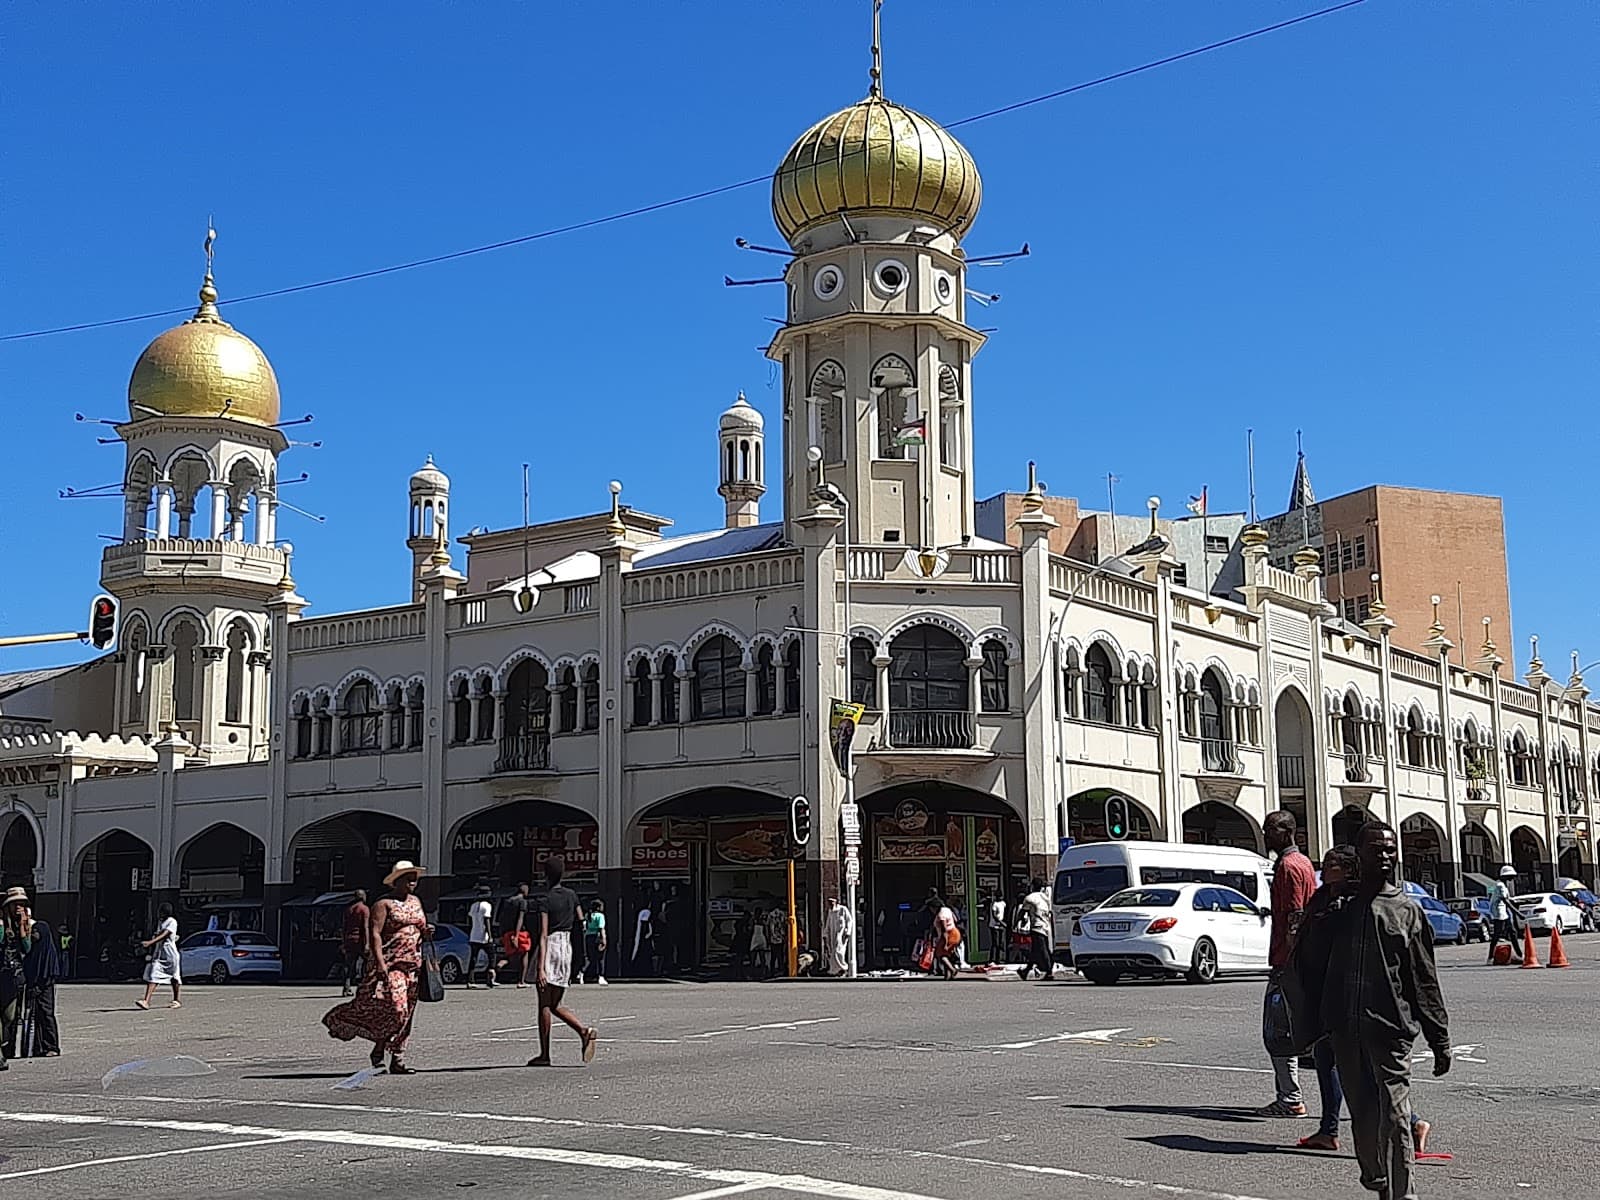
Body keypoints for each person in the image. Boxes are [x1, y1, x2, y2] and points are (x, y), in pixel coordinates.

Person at [1321, 822, 1451, 1200]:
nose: (1384, 856)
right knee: (1363, 1117)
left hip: (1390, 1031)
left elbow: (1424, 981)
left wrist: (1439, 1038)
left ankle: (1402, 1194)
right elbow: (1313, 967)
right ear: (1358, 855)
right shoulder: (1342, 909)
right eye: (1375, 849)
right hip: (1346, 1031)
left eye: (1390, 849)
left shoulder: (1407, 912)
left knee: (1395, 1117)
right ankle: (1378, 1181)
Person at [1296, 847, 1439, 1164]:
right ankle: (1330, 1129)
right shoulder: (1328, 896)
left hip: (1349, 998)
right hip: (1327, 995)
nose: (1325, 869)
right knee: (1329, 1061)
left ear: (1349, 870)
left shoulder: (1352, 902)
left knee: (1363, 1072)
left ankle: (1408, 1124)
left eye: (1333, 865)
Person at [323, 860, 431, 1075]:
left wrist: (426, 932)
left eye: (414, 878)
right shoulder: (384, 904)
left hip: (413, 964)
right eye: (408, 878)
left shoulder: (416, 902)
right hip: (391, 965)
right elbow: (375, 934)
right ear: (396, 881)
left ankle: (396, 1056)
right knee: (398, 1010)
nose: (413, 882)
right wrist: (380, 963)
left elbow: (419, 928)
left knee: (407, 1013)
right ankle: (366, 1036)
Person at [1259, 810, 1317, 1117]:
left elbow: (1295, 915)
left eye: (1269, 831)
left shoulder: (1288, 866)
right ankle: (1290, 1095)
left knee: (1278, 1031)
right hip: (1296, 960)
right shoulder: (1303, 862)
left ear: (1285, 832)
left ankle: (1290, 1097)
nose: (1265, 836)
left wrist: (1288, 963)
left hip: (1288, 962)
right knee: (1290, 1030)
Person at [526, 855, 598, 1067]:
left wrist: (540, 968)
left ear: (545, 875)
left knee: (544, 1005)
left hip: (551, 945)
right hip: (566, 947)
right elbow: (581, 921)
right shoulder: (572, 895)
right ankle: (583, 1032)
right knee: (555, 1003)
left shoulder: (545, 900)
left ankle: (545, 1053)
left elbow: (543, 933)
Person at [5, 891, 61, 1058]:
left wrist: (24, 926)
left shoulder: (41, 927)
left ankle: (51, 1045)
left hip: (43, 976)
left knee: (45, 1011)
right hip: (26, 977)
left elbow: (31, 946)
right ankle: (33, 1047)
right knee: (28, 1013)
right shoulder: (9, 928)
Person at [137, 903, 182, 1011]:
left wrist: (150, 942)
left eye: (161, 911)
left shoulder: (172, 921)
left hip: (170, 955)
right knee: (153, 975)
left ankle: (176, 1000)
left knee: (174, 977)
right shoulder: (160, 922)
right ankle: (146, 1001)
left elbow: (165, 934)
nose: (159, 914)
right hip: (159, 954)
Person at [1015, 878, 1055, 981]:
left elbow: (1022, 913)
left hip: (1037, 927)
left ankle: (1049, 971)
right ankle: (1026, 971)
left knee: (1042, 950)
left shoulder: (1030, 898)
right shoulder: (1045, 898)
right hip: (1046, 926)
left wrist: (1016, 924)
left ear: (1032, 886)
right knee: (1035, 951)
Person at [1484, 865, 1523, 964]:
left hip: (1503, 911)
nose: (1512, 878)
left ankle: (1520, 955)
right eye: (1510, 876)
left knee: (1513, 932)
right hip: (1499, 912)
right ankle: (1490, 957)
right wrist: (1518, 913)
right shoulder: (1500, 885)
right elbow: (1506, 901)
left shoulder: (1502, 885)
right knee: (1497, 934)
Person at [499, 882, 533, 987]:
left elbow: (502, 918)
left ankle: (497, 967)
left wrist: (503, 933)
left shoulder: (508, 901)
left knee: (509, 955)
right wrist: (517, 935)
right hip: (520, 932)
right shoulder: (522, 902)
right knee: (524, 954)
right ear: (524, 891)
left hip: (507, 932)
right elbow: (520, 918)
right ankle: (521, 981)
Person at [340, 890, 370, 997]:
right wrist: (367, 943)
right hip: (359, 940)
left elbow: (344, 928)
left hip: (349, 940)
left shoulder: (349, 910)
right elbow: (365, 927)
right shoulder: (364, 909)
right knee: (368, 964)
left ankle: (346, 988)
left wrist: (343, 942)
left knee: (349, 965)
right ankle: (365, 987)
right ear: (362, 897)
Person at [465, 885, 495, 988]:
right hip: (484, 936)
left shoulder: (473, 906)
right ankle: (490, 977)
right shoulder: (487, 905)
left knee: (473, 958)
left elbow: (470, 921)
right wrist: (490, 935)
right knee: (491, 957)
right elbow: (487, 921)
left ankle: (470, 980)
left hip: (474, 935)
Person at [926, 894, 961, 980]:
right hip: (955, 932)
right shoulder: (947, 910)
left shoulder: (941, 916)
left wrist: (945, 943)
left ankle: (953, 970)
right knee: (947, 955)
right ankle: (948, 975)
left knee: (940, 955)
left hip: (949, 934)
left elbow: (944, 930)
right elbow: (955, 919)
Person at [583, 899, 608, 985]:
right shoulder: (600, 916)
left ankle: (582, 972)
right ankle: (601, 976)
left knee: (590, 958)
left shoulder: (587, 915)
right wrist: (603, 939)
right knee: (600, 958)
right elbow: (601, 928)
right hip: (597, 937)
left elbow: (585, 927)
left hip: (588, 937)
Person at [985, 891, 1009, 962]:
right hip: (994, 925)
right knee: (995, 943)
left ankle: (999, 958)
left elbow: (1005, 913)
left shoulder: (1003, 903)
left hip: (1000, 925)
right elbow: (994, 915)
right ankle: (992, 959)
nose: (1000, 898)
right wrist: (1002, 923)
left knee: (1000, 942)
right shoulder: (994, 904)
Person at [749, 908, 770, 976]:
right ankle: (759, 972)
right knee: (760, 957)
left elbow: (750, 930)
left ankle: (755, 972)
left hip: (756, 937)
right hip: (759, 937)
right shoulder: (762, 921)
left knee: (756, 957)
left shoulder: (754, 921)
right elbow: (766, 931)